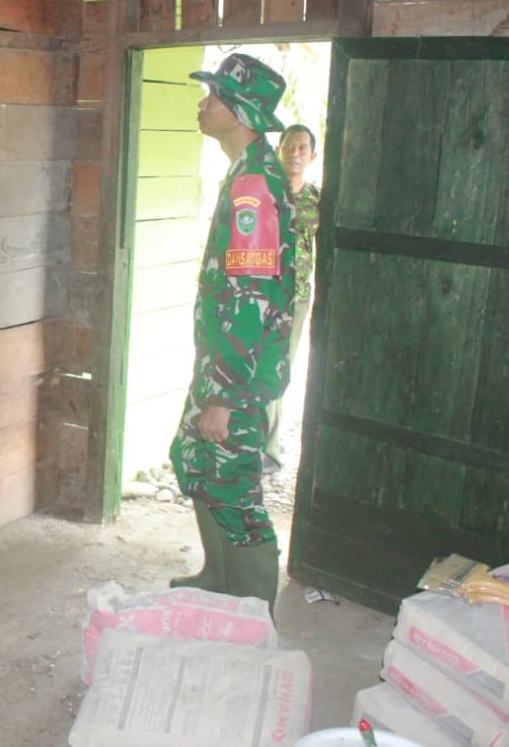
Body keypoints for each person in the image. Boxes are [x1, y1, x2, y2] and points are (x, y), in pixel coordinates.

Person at [167, 54, 295, 613]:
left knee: (234, 486)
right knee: (194, 458)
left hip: (237, 373)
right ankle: (217, 579)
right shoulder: (244, 170)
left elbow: (250, 299)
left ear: (240, 112)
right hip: (221, 362)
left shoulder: (253, 187)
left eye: (215, 96)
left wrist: (223, 395)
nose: (204, 103)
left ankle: (250, 613)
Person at [263, 124, 321, 471]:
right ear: (278, 150)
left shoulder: (317, 200)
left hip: (295, 298)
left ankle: (269, 450)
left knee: (280, 366)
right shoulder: (263, 194)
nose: (295, 154)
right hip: (260, 293)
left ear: (312, 156)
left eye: (302, 148)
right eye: (289, 146)